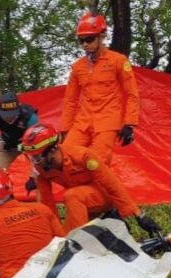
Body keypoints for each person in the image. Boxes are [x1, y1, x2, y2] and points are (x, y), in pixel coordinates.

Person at [18, 124, 161, 234]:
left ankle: (81, 242)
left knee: (72, 197)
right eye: (31, 157)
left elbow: (111, 183)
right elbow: (47, 203)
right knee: (63, 235)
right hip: (81, 205)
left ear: (52, 150)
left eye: (37, 156)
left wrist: (138, 215)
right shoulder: (40, 169)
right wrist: (54, 235)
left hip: (102, 197)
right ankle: (107, 221)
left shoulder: (83, 156)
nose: (34, 161)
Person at [60, 11, 140, 164]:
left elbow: (132, 93)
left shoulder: (118, 60)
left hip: (107, 122)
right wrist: (64, 129)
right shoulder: (78, 67)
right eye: (81, 40)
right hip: (82, 123)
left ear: (101, 36)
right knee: (65, 157)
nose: (85, 44)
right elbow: (70, 100)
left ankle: (99, 188)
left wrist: (129, 123)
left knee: (97, 165)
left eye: (89, 39)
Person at [0, 91, 39, 169]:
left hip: (28, 145)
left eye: (13, 115)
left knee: (38, 171)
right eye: (6, 116)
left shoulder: (29, 116)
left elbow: (37, 145)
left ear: (19, 109)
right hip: (7, 143)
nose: (9, 118)